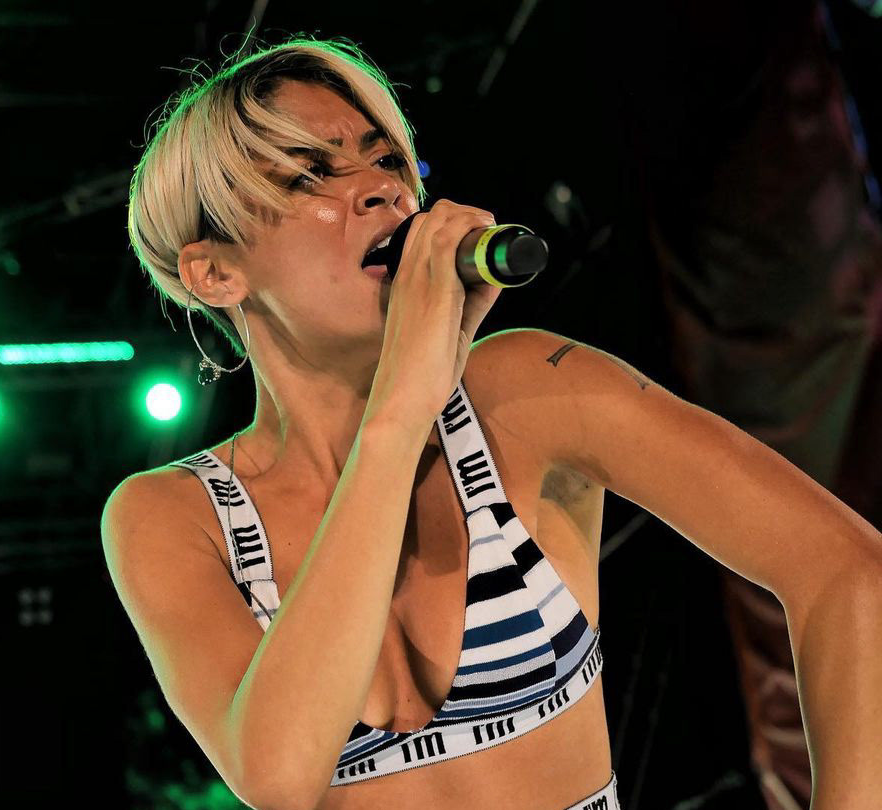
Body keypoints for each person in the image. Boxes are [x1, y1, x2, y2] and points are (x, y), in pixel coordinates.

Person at [102, 35, 882, 810]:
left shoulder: (525, 390)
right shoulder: (168, 516)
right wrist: (400, 409)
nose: (380, 190)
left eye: (386, 160)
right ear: (216, 272)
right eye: (311, 174)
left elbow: (846, 569)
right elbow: (278, 774)